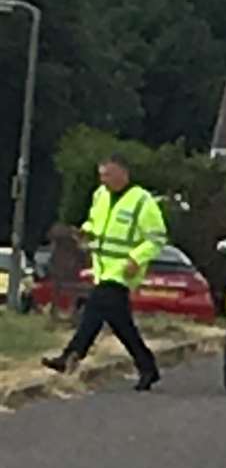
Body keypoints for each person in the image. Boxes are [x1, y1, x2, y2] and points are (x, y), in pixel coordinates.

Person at [42, 154, 167, 391]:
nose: (103, 180)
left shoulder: (142, 201)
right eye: (100, 175)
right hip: (102, 267)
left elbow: (157, 238)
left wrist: (136, 258)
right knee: (120, 324)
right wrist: (85, 232)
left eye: (107, 175)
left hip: (123, 270)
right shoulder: (100, 195)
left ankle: (71, 355)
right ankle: (147, 367)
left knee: (94, 308)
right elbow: (95, 222)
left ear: (123, 173)